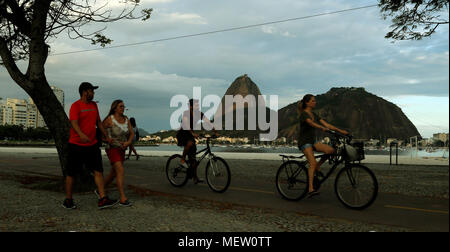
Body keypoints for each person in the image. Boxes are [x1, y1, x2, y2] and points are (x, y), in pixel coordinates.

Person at [63, 82, 118, 210]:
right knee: (71, 173)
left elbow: (98, 122)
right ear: (84, 92)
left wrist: (106, 136)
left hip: (92, 144)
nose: (93, 94)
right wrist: (81, 135)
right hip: (76, 145)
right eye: (91, 91)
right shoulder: (75, 106)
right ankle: (68, 200)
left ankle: (103, 198)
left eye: (93, 91)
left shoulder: (94, 105)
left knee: (98, 171)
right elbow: (74, 123)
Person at [297, 94, 349, 198]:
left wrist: (341, 131)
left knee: (331, 151)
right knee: (312, 163)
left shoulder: (314, 114)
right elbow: (310, 123)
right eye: (312, 101)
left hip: (313, 141)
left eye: (315, 101)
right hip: (305, 142)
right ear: (307, 103)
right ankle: (310, 189)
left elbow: (328, 125)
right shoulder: (304, 114)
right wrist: (321, 128)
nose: (315, 102)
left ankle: (318, 166)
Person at [101, 100, 134, 207]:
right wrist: (107, 140)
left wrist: (128, 142)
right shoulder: (109, 120)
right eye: (120, 106)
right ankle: (123, 198)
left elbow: (132, 133)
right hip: (112, 148)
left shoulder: (126, 119)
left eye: (123, 106)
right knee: (120, 170)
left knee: (113, 173)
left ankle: (100, 189)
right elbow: (99, 132)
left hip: (122, 149)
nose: (123, 108)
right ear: (115, 108)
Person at [176, 99, 217, 184]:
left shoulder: (199, 114)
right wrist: (193, 133)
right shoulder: (186, 113)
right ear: (190, 106)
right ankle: (182, 160)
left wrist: (215, 131)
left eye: (198, 105)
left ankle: (195, 178)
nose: (198, 107)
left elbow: (208, 122)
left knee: (193, 160)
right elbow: (186, 125)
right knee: (189, 143)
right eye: (196, 105)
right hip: (183, 133)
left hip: (191, 134)